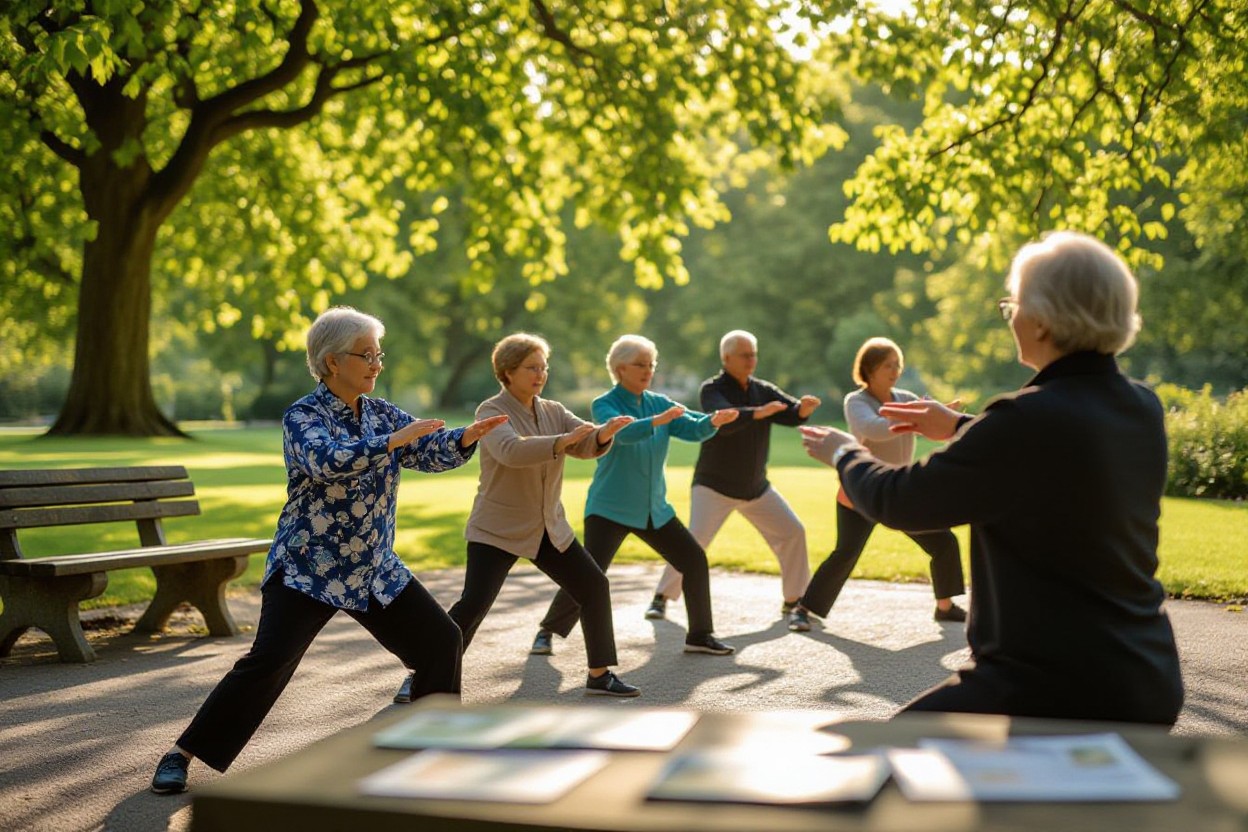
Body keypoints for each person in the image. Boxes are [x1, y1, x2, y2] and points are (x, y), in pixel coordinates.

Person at [799, 231, 1184, 725]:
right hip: (1145, 675)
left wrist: (845, 453)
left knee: (895, 754)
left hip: (1046, 685)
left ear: (1042, 319)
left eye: (1014, 305)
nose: (1012, 317)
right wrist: (959, 426)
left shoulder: (1024, 420)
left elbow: (899, 501)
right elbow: (1058, 455)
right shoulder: (1140, 406)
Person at [150, 306, 507, 794]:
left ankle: (432, 752)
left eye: (379, 354)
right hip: (307, 568)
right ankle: (182, 753)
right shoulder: (303, 416)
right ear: (332, 361)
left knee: (441, 643)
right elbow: (327, 461)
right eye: (367, 355)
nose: (377, 364)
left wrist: (464, 438)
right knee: (266, 664)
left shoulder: (381, 413)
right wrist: (390, 443)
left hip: (372, 568)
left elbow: (425, 449)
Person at [394, 332, 641, 701]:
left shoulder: (553, 410)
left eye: (543, 367)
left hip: (547, 525)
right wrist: (562, 442)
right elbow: (511, 451)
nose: (540, 374)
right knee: (474, 605)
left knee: (593, 585)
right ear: (508, 372)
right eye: (531, 367)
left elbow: (585, 444)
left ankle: (600, 674)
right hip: (497, 528)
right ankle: (421, 675)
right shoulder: (490, 411)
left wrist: (603, 434)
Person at [531, 334, 740, 657]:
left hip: (655, 509)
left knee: (694, 560)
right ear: (620, 369)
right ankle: (548, 630)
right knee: (589, 575)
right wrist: (657, 421)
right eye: (640, 364)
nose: (648, 370)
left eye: (651, 364)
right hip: (609, 508)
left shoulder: (659, 402)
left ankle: (700, 635)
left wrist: (713, 421)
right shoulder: (604, 403)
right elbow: (623, 434)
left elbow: (693, 428)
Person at [648, 330, 822, 631]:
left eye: (753, 354)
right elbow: (723, 418)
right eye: (745, 355)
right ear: (726, 358)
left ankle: (795, 599)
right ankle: (662, 596)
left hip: (755, 487)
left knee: (793, 531)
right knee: (694, 542)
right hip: (713, 486)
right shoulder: (711, 388)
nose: (751, 360)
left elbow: (790, 411)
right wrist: (758, 413)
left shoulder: (762, 389)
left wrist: (803, 410)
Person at [789, 337, 966, 629]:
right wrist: (917, 421)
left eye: (898, 364)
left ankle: (945, 607)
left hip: (898, 490)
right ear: (869, 369)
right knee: (846, 553)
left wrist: (943, 417)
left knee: (944, 541)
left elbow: (934, 422)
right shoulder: (856, 401)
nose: (895, 370)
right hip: (860, 491)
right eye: (888, 365)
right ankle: (803, 609)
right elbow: (873, 428)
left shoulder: (906, 397)